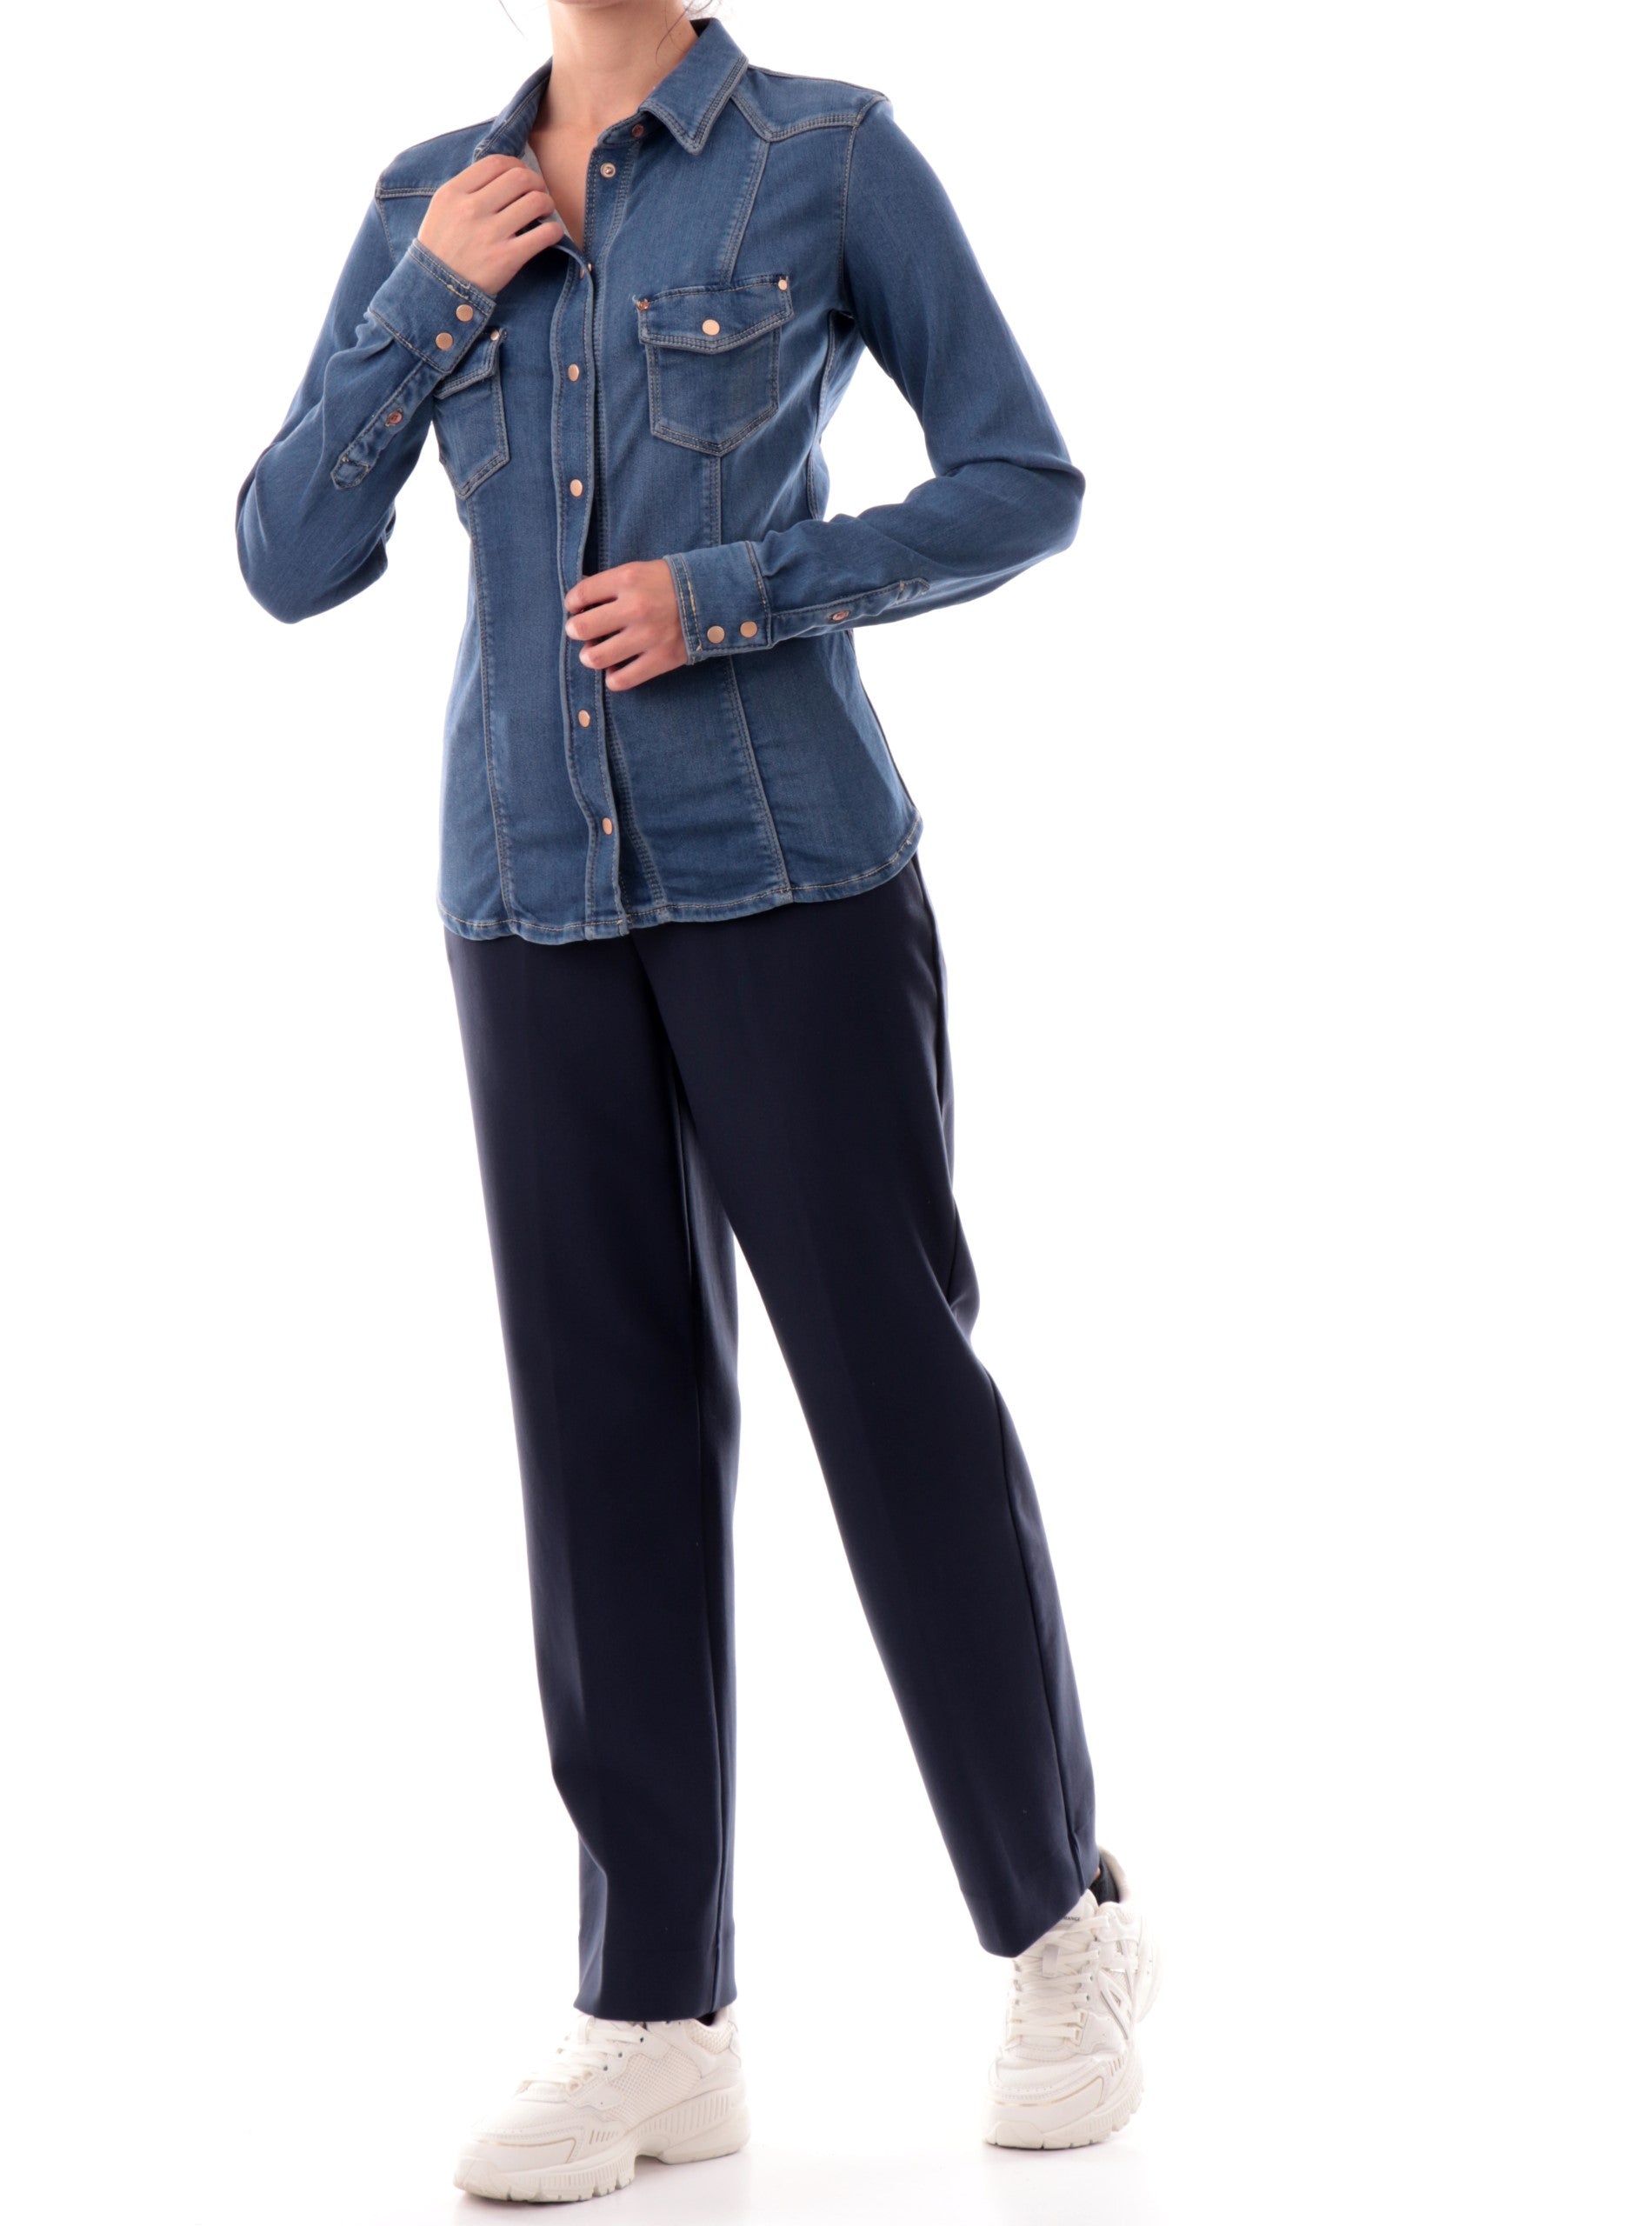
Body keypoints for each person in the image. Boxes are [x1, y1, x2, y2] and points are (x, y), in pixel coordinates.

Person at [236, 0, 1160, 2200]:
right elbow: (286, 554)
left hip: (793, 875)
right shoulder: (426, 204)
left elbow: (1023, 478)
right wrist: (426, 298)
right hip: (523, 893)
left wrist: (738, 592)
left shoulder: (828, 155)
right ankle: (656, 2013)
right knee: (603, 1447)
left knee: (893, 1398)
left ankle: (1065, 1923)